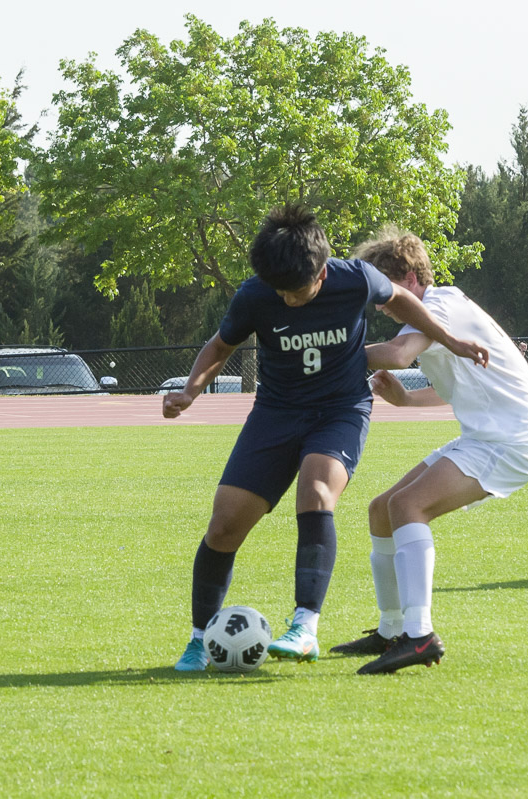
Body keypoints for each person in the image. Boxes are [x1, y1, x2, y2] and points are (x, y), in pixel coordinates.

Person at [164, 205, 490, 672]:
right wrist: (191, 390)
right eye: (281, 292)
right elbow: (220, 346)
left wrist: (452, 340)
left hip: (341, 410)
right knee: (224, 525)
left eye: (297, 291)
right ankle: (199, 639)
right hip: (275, 414)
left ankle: (304, 627)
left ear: (322, 269)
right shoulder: (255, 295)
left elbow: (403, 301)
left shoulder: (354, 278)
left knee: (316, 492)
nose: (289, 300)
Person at [329, 228, 528, 674]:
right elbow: (455, 386)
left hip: (511, 440)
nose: (381, 303)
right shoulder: (434, 311)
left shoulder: (439, 305)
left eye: (385, 290)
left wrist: (325, 352)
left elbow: (399, 354)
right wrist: (407, 401)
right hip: (488, 435)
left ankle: (419, 635)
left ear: (409, 277)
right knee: (381, 509)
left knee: (408, 506)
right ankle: (392, 629)